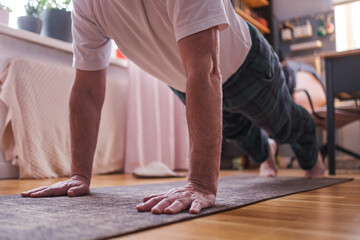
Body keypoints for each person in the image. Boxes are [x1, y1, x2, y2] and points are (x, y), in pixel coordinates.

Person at [21, 0, 325, 214]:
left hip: (245, 65)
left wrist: (200, 184)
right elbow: (87, 90)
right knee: (240, 133)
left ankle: (312, 155)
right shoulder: (86, 5)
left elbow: (205, 69)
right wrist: (79, 176)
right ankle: (265, 155)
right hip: (185, 82)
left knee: (285, 128)